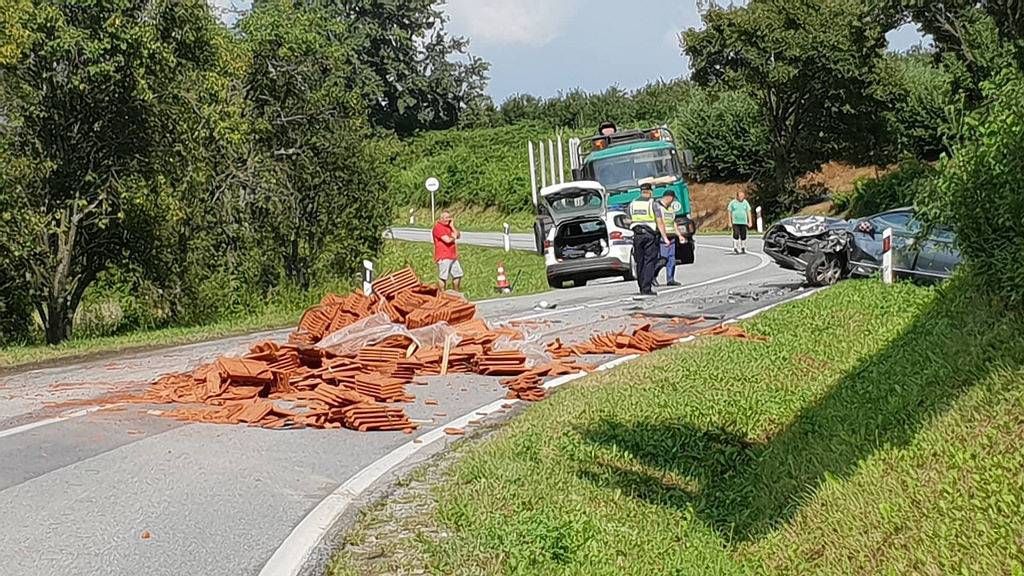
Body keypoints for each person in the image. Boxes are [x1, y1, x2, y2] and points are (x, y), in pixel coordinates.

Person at [629, 182, 671, 296]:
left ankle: (641, 286)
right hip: (649, 235)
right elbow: (660, 221)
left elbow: (628, 219)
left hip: (637, 235)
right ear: (650, 191)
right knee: (649, 261)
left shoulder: (632, 204)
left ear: (641, 191)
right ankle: (646, 288)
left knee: (640, 262)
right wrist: (665, 238)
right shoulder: (653, 204)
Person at [655, 190, 681, 287]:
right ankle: (653, 275)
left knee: (671, 259)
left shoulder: (670, 209)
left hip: (671, 236)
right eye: (673, 199)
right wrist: (664, 237)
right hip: (662, 237)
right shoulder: (658, 207)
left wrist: (679, 235)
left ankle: (670, 279)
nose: (673, 201)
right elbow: (660, 223)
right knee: (663, 259)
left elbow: (674, 223)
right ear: (669, 197)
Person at [432, 211, 463, 291]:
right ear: (441, 218)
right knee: (443, 277)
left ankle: (456, 292)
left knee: (458, 274)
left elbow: (458, 235)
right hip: (443, 256)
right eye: (446, 218)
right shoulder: (438, 227)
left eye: (449, 217)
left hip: (452, 255)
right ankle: (442, 293)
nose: (448, 219)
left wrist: (452, 227)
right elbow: (447, 240)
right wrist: (454, 237)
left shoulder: (449, 226)